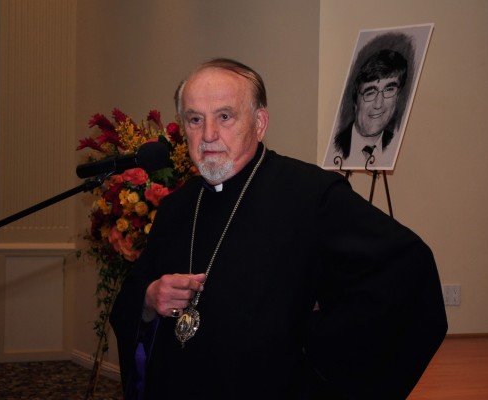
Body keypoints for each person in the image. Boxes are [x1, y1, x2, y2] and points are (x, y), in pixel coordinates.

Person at [110, 57, 447, 399]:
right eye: (195, 119)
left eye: (225, 117)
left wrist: (316, 348)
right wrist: (149, 299)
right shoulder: (175, 207)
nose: (208, 135)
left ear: (260, 123)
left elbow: (408, 269)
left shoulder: (310, 193)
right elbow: (134, 295)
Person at [334, 49, 408, 167]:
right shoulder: (336, 147)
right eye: (370, 93)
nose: (378, 104)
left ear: (398, 97)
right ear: (355, 101)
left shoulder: (396, 146)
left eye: (389, 90)